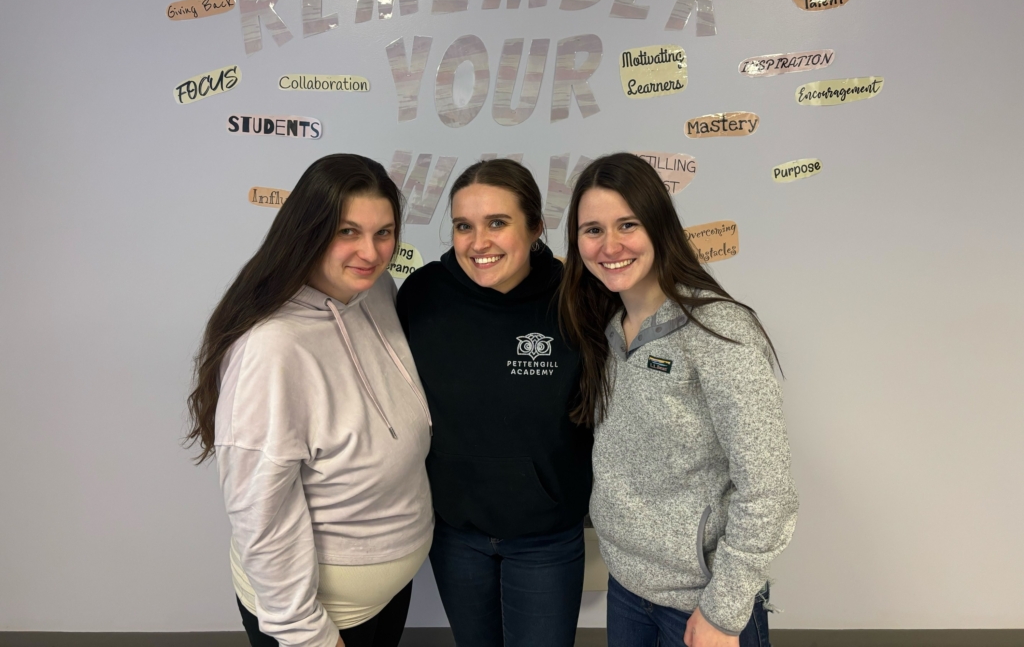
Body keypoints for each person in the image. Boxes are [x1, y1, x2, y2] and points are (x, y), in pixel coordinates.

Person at [185, 154, 434, 647]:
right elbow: (263, 516)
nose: (371, 251)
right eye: (348, 232)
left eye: (384, 232)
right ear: (309, 232)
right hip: (320, 618)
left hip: (385, 592)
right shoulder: (272, 348)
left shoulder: (376, 290)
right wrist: (308, 636)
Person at [557, 153, 799, 647]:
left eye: (628, 224)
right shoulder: (604, 332)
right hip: (628, 589)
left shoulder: (719, 331)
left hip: (702, 601)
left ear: (660, 227)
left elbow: (768, 492)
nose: (610, 246)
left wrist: (724, 612)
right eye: (592, 230)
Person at [396, 159, 592, 647]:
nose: (478, 242)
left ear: (535, 227)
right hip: (455, 534)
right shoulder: (423, 294)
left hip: (546, 536)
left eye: (497, 223)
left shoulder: (576, 298)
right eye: (464, 226)